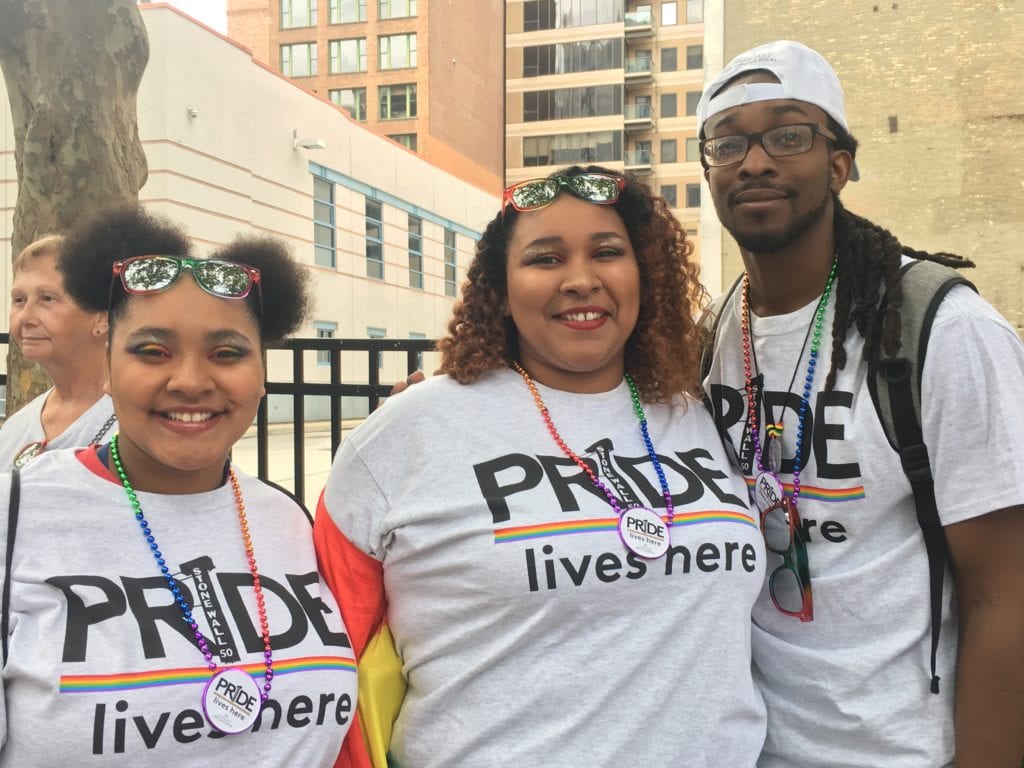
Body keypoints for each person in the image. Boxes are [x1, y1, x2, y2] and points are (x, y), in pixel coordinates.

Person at [315, 165, 767, 767]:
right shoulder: (407, 432)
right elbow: (328, 670)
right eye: (544, 259)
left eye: (607, 251)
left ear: (645, 276)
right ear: (500, 290)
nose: (581, 280)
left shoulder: (702, 416)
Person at [697, 40, 1024, 767]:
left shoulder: (944, 329)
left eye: (788, 135)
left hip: (901, 749)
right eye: (728, 143)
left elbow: (1005, 593)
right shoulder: (714, 335)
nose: (755, 161)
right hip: (745, 745)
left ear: (839, 163)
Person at [0, 206, 358, 766]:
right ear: (110, 368)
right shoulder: (15, 515)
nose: (191, 381)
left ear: (261, 371)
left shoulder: (286, 519)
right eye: (152, 351)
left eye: (227, 353)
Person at [0, 235, 115, 468]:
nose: (25, 317)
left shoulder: (141, 426)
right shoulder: (14, 429)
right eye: (19, 300)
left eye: (47, 299)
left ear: (102, 317)